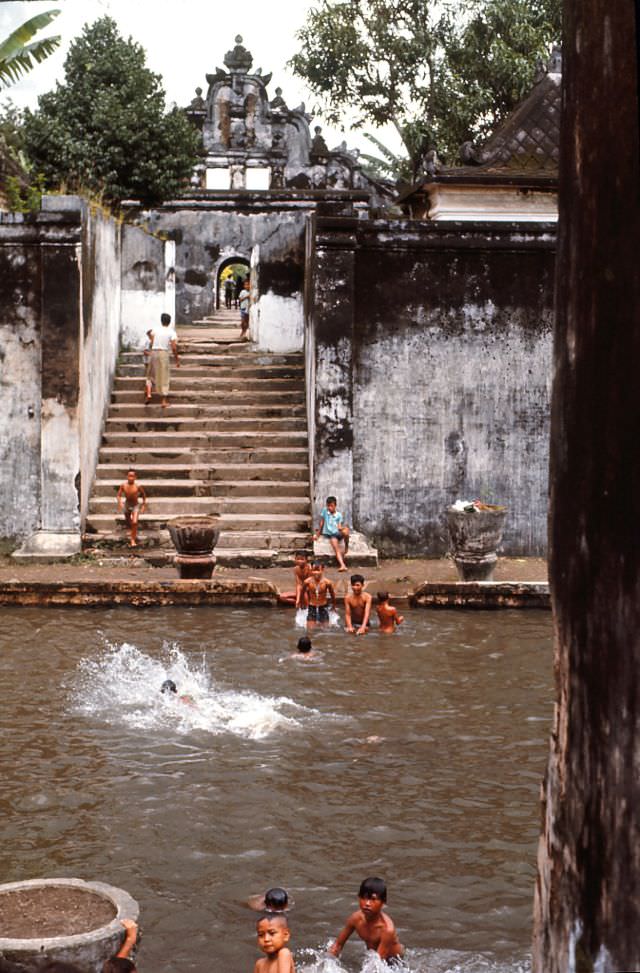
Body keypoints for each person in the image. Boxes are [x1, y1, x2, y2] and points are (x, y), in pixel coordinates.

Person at [329, 877, 404, 964]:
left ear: (383, 902)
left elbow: (377, 964)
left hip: (394, 962)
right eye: (364, 898)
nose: (367, 903)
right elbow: (337, 945)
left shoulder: (387, 929)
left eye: (373, 899)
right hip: (375, 957)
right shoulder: (356, 919)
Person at [146, 312, 179, 408]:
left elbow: (150, 337)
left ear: (161, 321)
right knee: (164, 376)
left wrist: (152, 346)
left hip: (153, 353)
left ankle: (148, 395)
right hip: (163, 353)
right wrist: (177, 360)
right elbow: (173, 347)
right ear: (169, 322)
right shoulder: (171, 332)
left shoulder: (155, 330)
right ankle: (163, 401)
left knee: (150, 374)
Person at [315, 496, 350, 572]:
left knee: (346, 531)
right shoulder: (325, 511)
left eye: (331, 506)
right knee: (336, 548)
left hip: (337, 532)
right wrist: (317, 535)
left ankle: (347, 545)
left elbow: (339, 526)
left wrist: (343, 528)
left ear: (335, 506)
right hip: (332, 535)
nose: (329, 508)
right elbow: (322, 523)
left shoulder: (339, 515)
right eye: (328, 506)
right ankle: (342, 565)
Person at [116, 470, 147, 548]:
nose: (130, 478)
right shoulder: (123, 485)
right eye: (129, 476)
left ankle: (132, 539)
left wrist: (143, 505)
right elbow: (119, 495)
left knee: (135, 522)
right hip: (127, 504)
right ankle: (133, 532)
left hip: (135, 505)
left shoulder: (138, 486)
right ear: (127, 476)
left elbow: (143, 495)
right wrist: (120, 503)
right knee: (128, 521)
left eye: (132, 476)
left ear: (135, 477)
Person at [301, 561, 336, 628]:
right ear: (311, 570)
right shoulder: (307, 582)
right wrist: (302, 602)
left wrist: (334, 605)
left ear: (322, 570)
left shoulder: (327, 582)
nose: (316, 573)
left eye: (318, 570)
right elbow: (302, 592)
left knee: (326, 629)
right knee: (310, 629)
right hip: (312, 606)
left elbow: (332, 594)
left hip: (323, 606)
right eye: (314, 570)